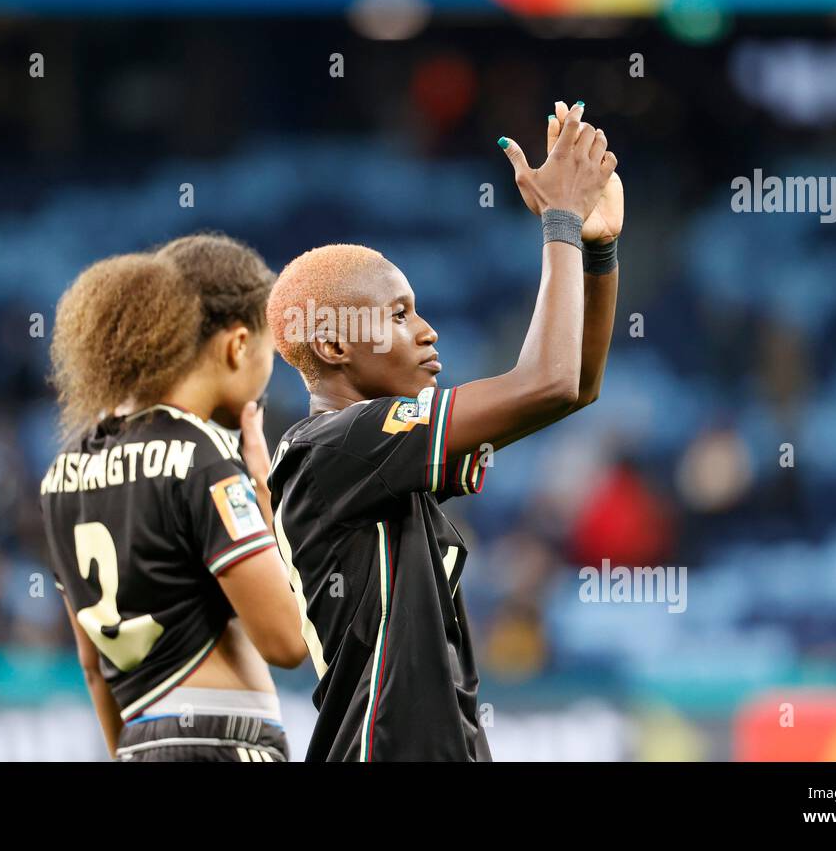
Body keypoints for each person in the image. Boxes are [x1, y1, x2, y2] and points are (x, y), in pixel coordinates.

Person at [265, 102, 623, 760]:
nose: (428, 330)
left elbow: (572, 388)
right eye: (400, 314)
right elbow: (548, 382)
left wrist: (596, 250)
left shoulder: (372, 455)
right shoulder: (339, 444)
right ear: (336, 344)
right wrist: (561, 223)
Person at [42, 234, 307, 762]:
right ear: (237, 345)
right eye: (269, 351)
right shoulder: (201, 453)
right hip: (225, 742)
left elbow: (94, 670)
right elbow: (287, 642)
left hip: (140, 743)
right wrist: (266, 497)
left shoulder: (62, 473)